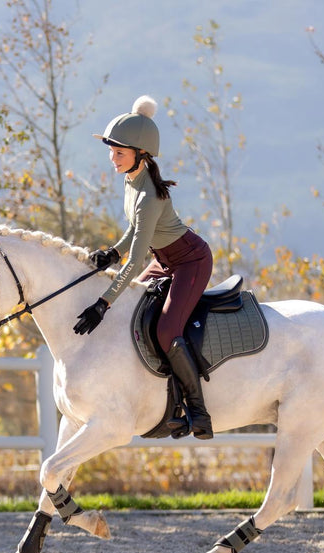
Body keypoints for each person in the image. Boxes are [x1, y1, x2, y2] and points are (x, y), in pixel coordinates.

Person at [72, 95, 214, 440]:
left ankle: (197, 411)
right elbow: (136, 231)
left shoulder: (148, 193)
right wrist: (112, 253)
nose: (112, 158)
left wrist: (103, 303)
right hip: (163, 259)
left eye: (119, 153)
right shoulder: (131, 177)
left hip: (189, 262)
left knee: (167, 330)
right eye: (111, 151)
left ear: (141, 153)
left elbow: (137, 256)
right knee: (134, 309)